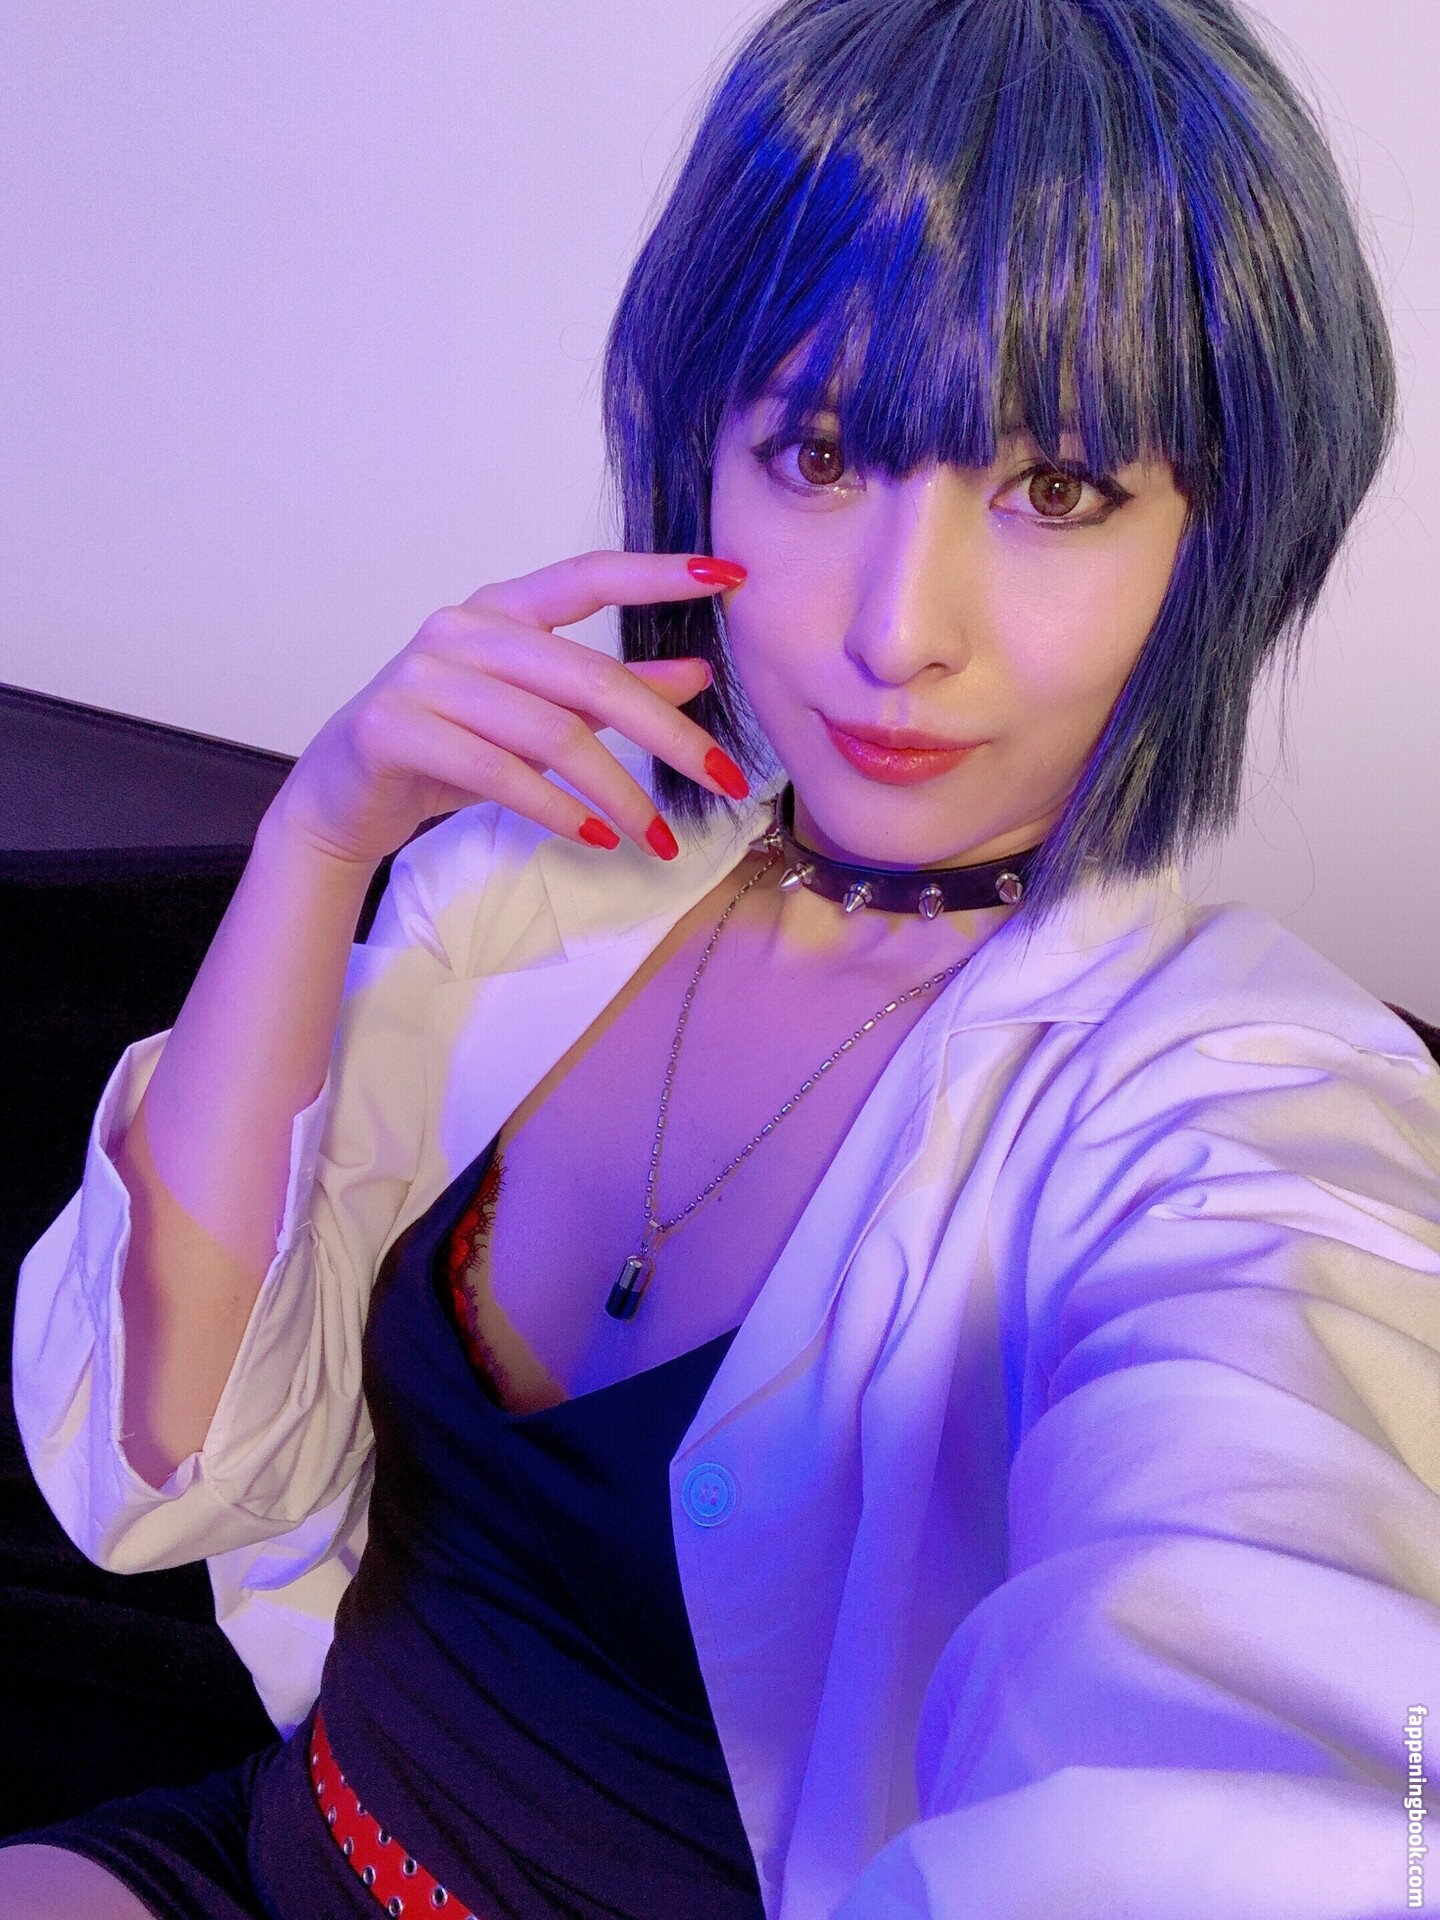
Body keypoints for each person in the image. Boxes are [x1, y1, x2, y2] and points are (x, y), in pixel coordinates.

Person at [7, 0, 1439, 1913]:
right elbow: (159, 1458)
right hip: (272, 1847)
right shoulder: (544, 882)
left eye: (1060, 490)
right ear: (702, 449)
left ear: (1221, 539)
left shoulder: (1240, 1105)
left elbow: (1283, 1699)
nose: (897, 631)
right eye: (824, 452)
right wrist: (321, 834)